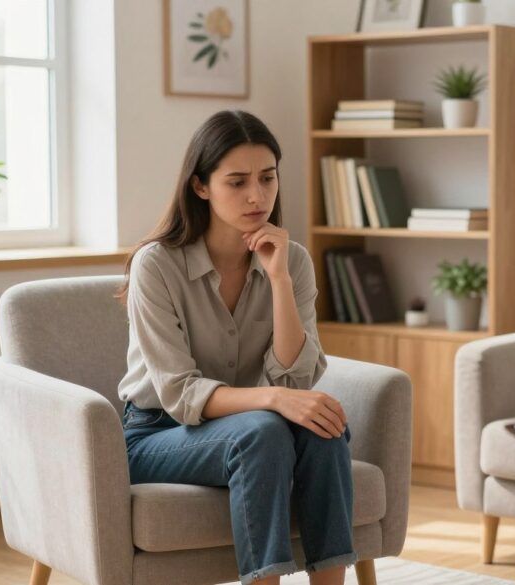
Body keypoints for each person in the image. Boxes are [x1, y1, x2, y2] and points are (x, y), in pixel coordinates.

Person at [116, 110, 353, 585]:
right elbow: (181, 394)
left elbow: (296, 381)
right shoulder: (156, 266)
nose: (257, 196)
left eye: (268, 179)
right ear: (201, 186)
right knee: (263, 429)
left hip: (253, 425)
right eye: (238, 181)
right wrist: (273, 399)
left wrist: (279, 279)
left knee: (322, 425)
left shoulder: (294, 261)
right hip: (156, 434)